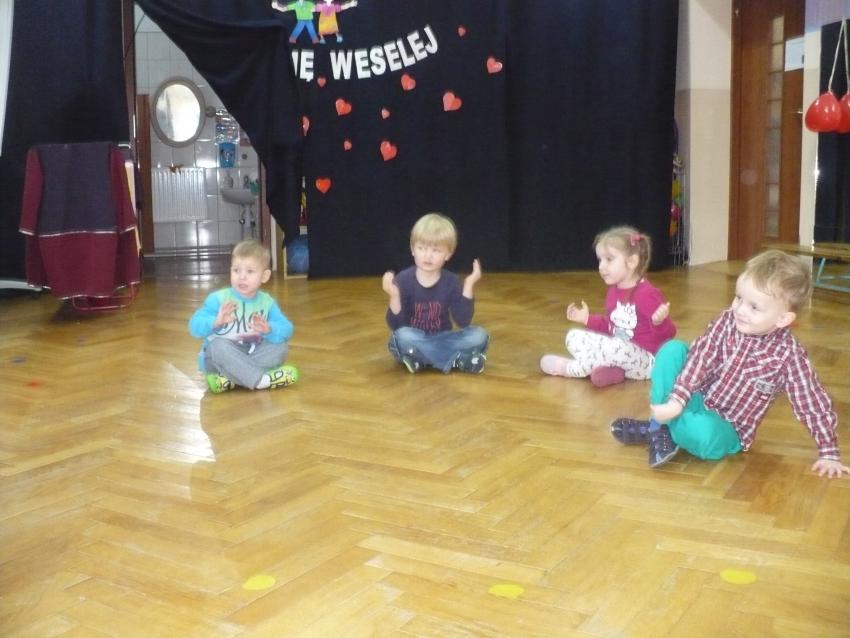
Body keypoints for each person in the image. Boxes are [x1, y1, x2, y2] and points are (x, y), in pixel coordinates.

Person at [611, 250, 849, 477]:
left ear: (783, 318)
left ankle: (660, 427)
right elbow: (700, 358)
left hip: (728, 426)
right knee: (673, 350)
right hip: (694, 397)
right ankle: (664, 425)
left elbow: (812, 402)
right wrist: (677, 401)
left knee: (705, 437)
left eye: (754, 307)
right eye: (738, 298)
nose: (740, 310)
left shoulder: (789, 357)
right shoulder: (727, 320)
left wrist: (829, 452)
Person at [540, 225, 676, 387]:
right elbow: (612, 326)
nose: (601, 266)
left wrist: (659, 322)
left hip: (647, 362)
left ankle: (571, 368)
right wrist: (587, 319)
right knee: (573, 336)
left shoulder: (647, 294)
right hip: (618, 352)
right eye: (600, 260)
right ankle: (612, 371)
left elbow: (670, 334)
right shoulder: (613, 291)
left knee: (616, 347)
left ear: (632, 261)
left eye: (609, 260)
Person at [382, 212, 489, 373]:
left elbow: (463, 321)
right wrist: (394, 297)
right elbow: (397, 326)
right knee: (400, 338)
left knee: (479, 335)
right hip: (415, 339)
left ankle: (422, 360)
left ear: (448, 254)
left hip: (443, 338)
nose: (428, 255)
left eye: (436, 250)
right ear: (412, 249)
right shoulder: (403, 280)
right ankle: (457, 360)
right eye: (421, 248)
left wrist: (468, 284)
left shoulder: (451, 281)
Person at [189, 239, 298, 393]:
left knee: (280, 348)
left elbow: (287, 329)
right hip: (218, 358)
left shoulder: (267, 303)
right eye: (236, 270)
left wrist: (269, 329)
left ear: (264, 276)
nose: (242, 277)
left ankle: (231, 379)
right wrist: (216, 322)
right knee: (218, 346)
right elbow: (194, 326)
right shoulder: (219, 299)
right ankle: (261, 380)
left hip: (252, 352)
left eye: (250, 271)